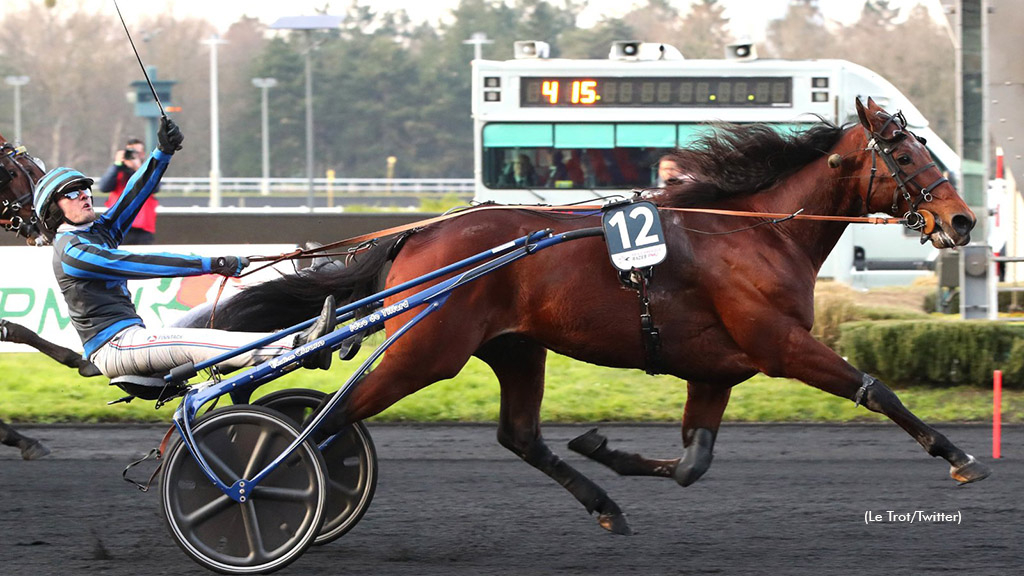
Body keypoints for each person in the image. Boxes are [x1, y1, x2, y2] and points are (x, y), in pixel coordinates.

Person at [33, 117, 335, 383]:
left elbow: (132, 196)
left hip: (132, 338)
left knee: (225, 311)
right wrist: (212, 263)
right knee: (201, 339)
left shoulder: (96, 233)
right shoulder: (72, 252)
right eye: (72, 193)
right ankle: (300, 346)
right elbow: (142, 263)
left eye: (85, 189)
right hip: (114, 348)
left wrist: (162, 152)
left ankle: (304, 320)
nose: (84, 196)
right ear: (53, 211)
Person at [98, 137, 157, 245]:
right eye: (130, 152)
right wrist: (117, 164)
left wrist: (139, 168)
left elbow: (154, 187)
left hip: (143, 230)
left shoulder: (148, 170)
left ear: (142, 154)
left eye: (137, 153)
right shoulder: (118, 172)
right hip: (118, 227)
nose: (133, 155)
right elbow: (104, 187)